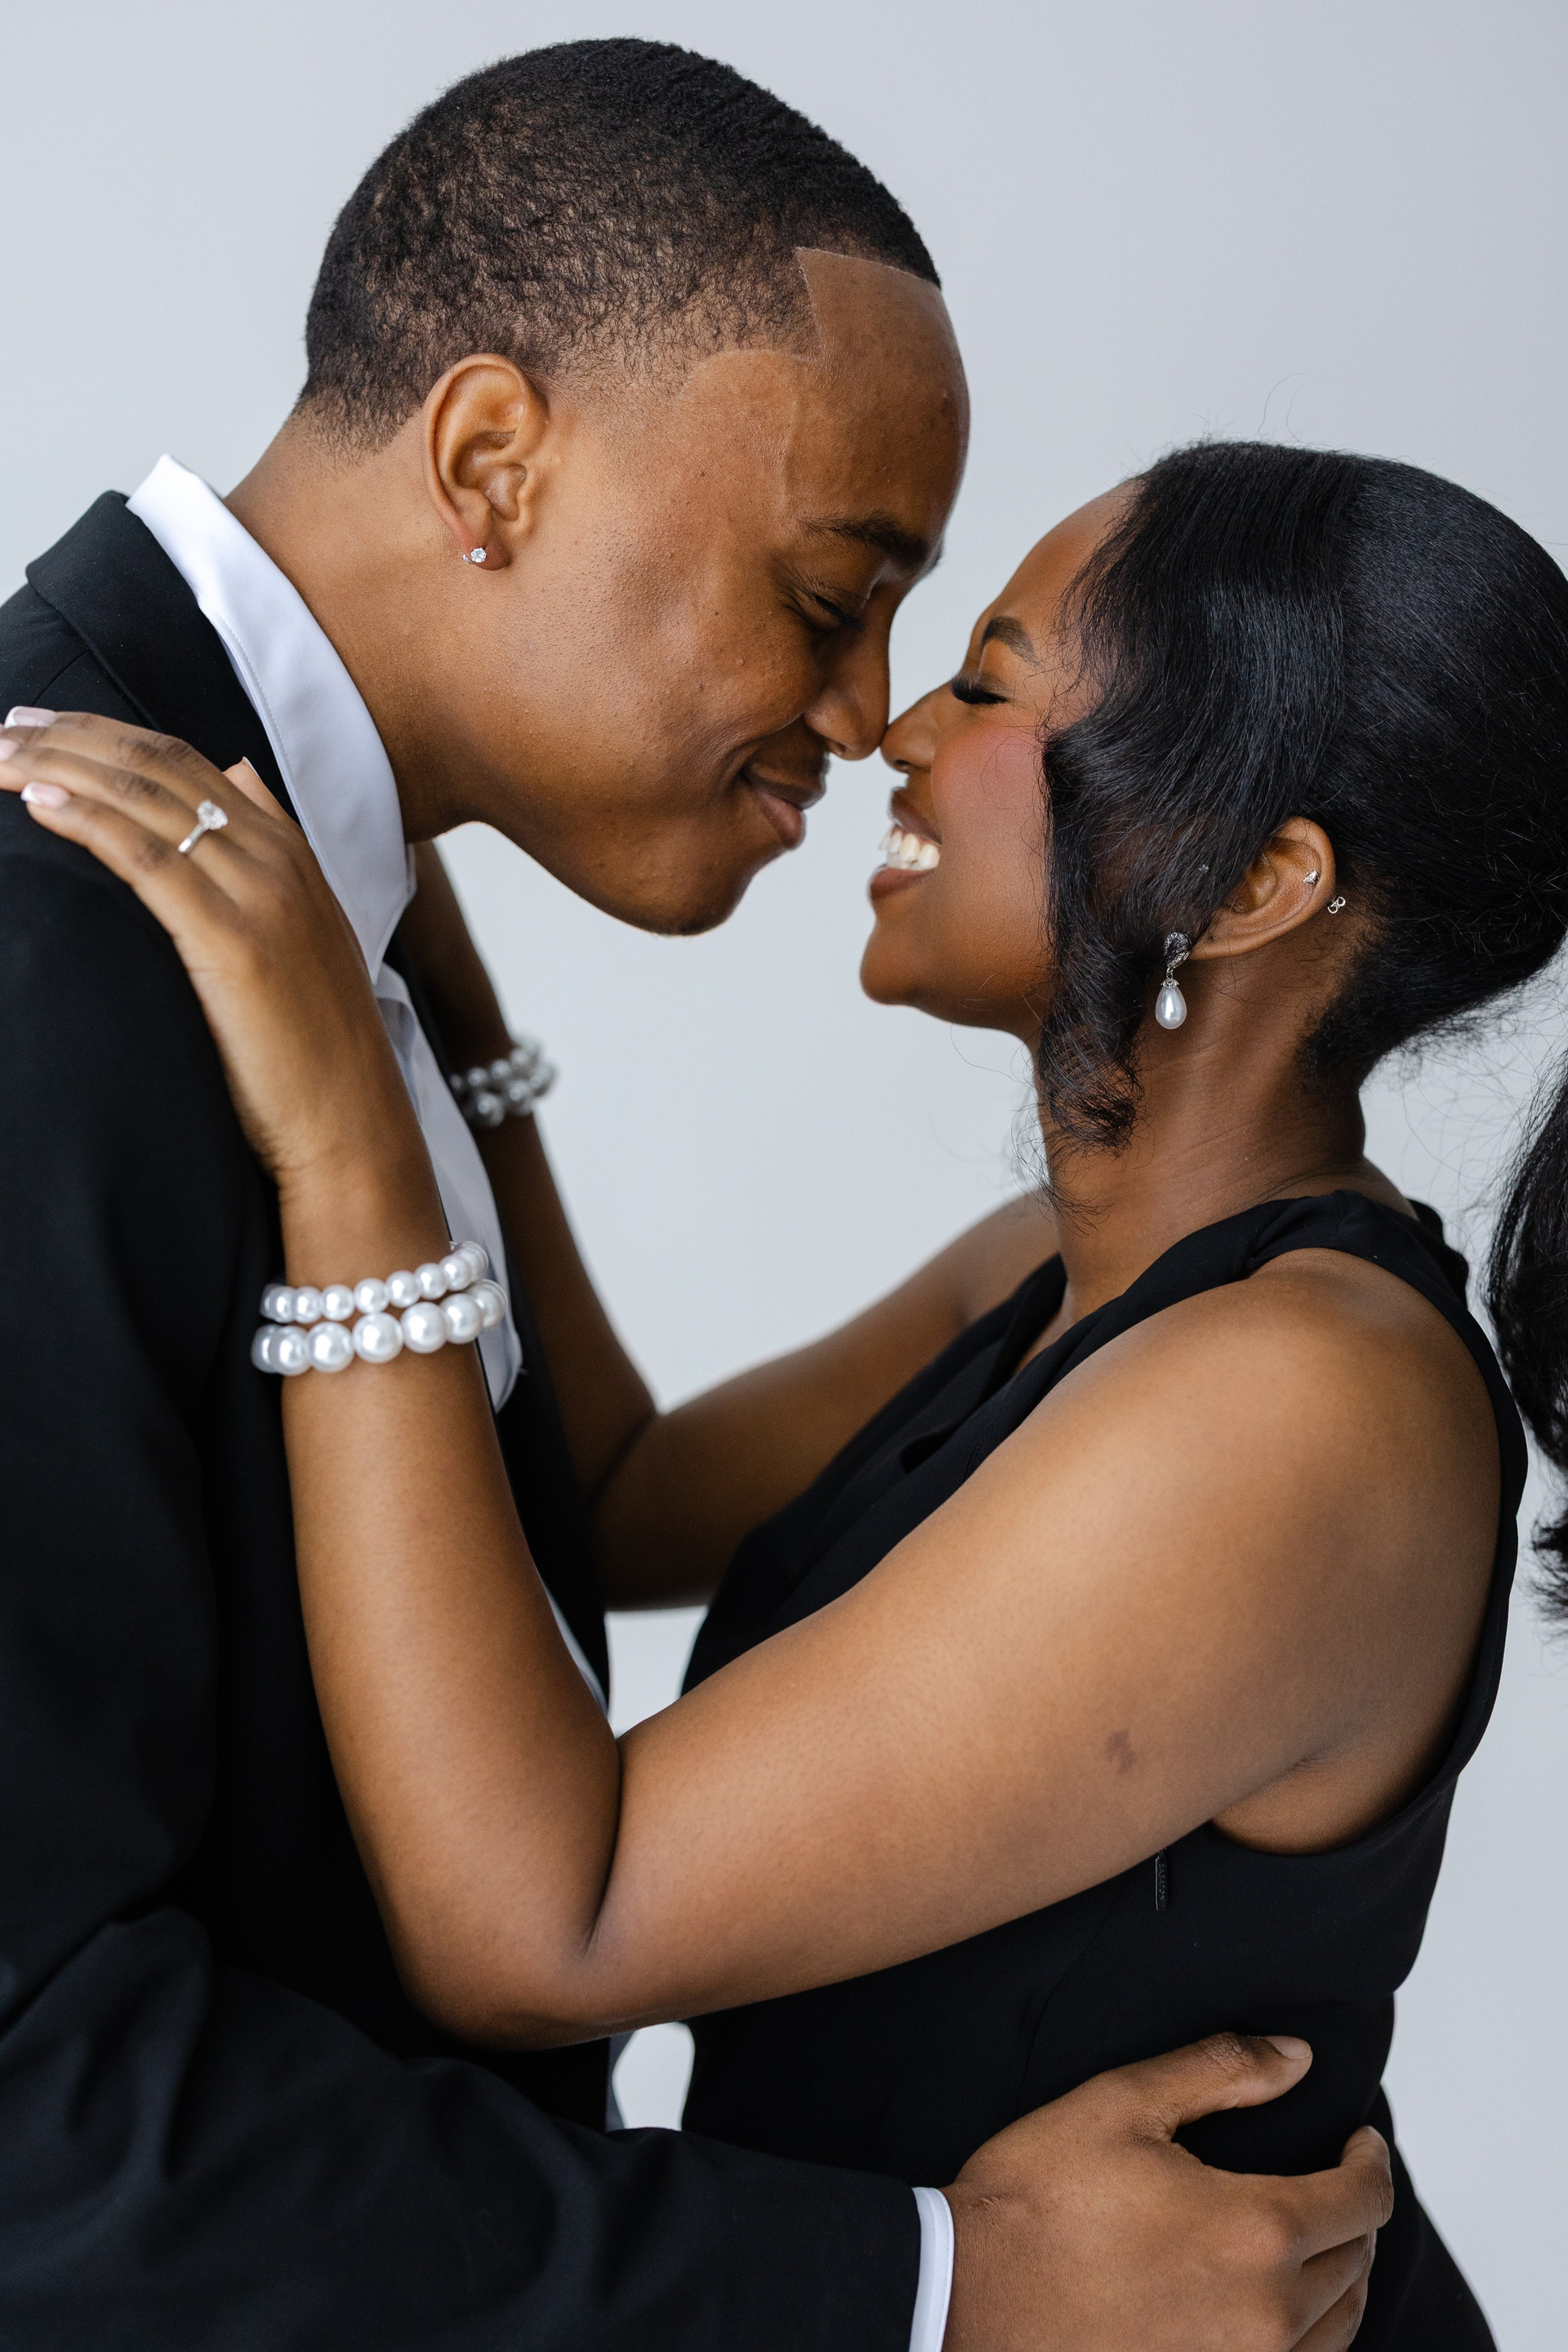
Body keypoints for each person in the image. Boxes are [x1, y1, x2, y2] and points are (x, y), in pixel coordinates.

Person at [0, 38, 1390, 2352]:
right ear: (491, 460)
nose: (867, 720)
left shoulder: (309, 932)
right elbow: (40, 2112)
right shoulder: (57, 949)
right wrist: (929, 2286)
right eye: (834, 593)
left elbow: (582, 1515)